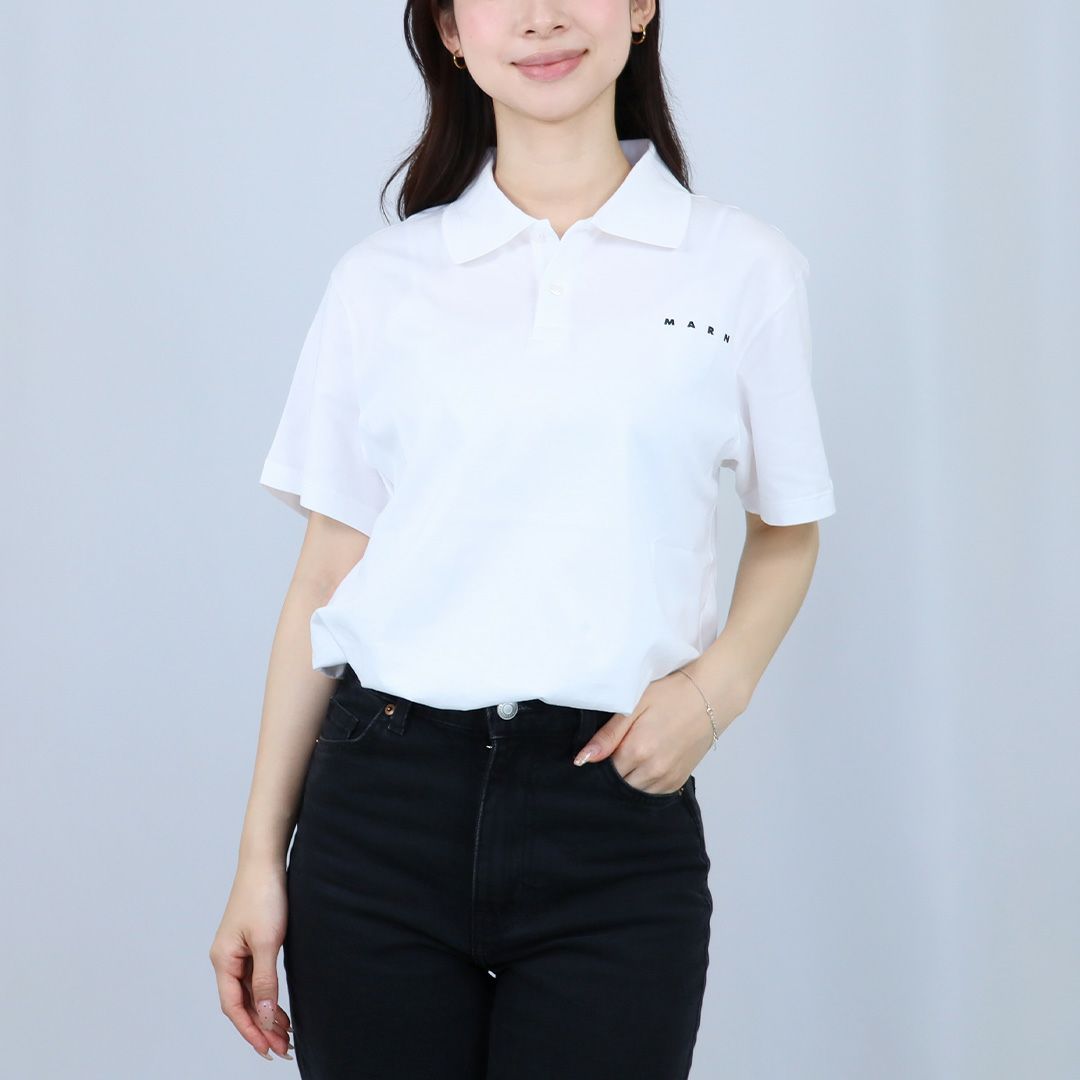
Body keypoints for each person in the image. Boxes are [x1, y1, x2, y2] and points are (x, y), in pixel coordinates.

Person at [209, 2, 837, 1077]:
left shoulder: (741, 268)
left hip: (611, 821)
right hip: (379, 813)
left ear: (640, 6)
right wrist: (258, 860)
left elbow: (788, 528)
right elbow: (325, 576)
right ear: (452, 31)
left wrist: (712, 693)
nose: (542, 17)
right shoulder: (383, 280)